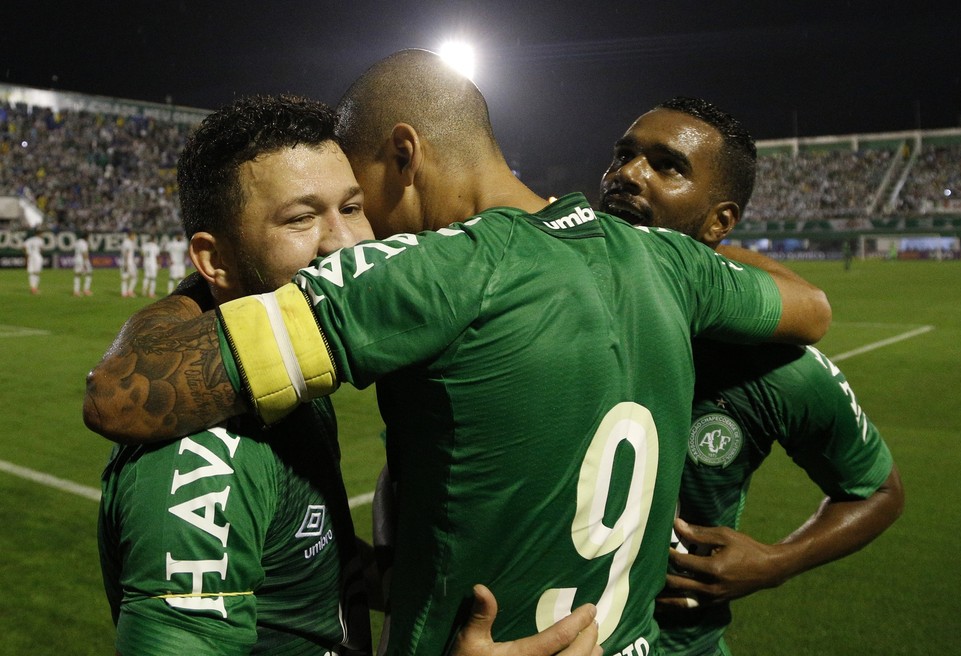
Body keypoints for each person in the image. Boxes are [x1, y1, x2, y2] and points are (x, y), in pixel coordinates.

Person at [85, 50, 830, 655]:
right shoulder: (666, 260)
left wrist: (207, 285)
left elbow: (118, 395)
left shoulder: (429, 271)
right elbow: (811, 308)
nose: (356, 234)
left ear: (403, 155)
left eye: (356, 197)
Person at [90, 93, 601, 656]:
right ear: (216, 261)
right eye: (301, 218)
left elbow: (299, 560)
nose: (344, 242)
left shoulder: (289, 375)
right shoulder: (201, 459)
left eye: (353, 208)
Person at [599, 96, 904, 656]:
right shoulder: (544, 299)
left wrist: (776, 562)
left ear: (720, 221)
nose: (628, 174)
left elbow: (878, 491)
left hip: (679, 645)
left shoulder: (774, 367)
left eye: (667, 165)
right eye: (623, 155)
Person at [23, 227, 44, 294]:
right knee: (37, 272)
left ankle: (32, 288)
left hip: (30, 256)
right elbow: (42, 249)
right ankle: (35, 288)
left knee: (31, 272)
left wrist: (26, 253)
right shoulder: (40, 240)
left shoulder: (30, 239)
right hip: (37, 256)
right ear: (39, 233)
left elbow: (23, 247)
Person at [73, 230, 93, 296]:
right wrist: (85, 263)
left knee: (77, 275)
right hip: (82, 259)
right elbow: (84, 253)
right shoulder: (84, 243)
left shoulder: (78, 242)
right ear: (86, 237)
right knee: (89, 273)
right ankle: (86, 290)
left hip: (76, 258)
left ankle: (76, 291)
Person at [119, 230, 138, 297]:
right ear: (131, 235)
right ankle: (130, 291)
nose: (135, 237)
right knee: (134, 277)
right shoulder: (128, 243)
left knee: (125, 278)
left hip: (124, 262)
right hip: (128, 262)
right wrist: (126, 263)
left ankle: (124, 293)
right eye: (134, 235)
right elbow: (126, 253)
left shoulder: (125, 242)